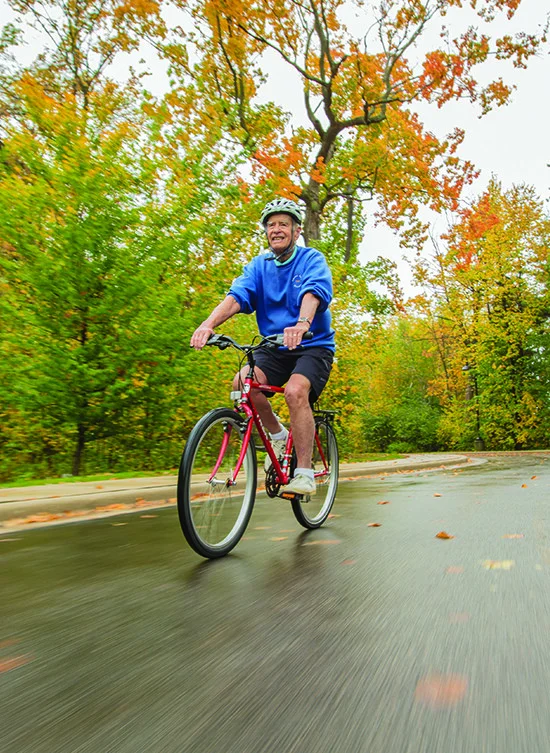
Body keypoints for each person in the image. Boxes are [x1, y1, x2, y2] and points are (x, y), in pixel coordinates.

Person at [190, 197, 335, 496]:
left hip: (312, 344)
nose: (276, 230)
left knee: (296, 392)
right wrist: (208, 325)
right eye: (271, 225)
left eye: (284, 224)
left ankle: (305, 473)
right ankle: (279, 434)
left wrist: (302, 323)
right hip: (274, 346)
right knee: (243, 383)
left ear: (296, 231)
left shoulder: (311, 260)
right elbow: (236, 297)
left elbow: (314, 292)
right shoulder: (259, 266)